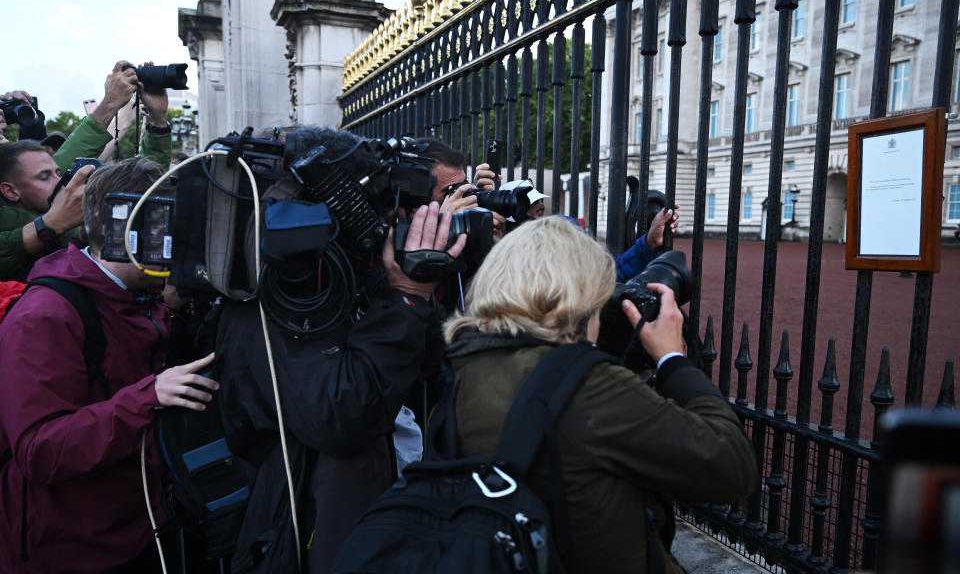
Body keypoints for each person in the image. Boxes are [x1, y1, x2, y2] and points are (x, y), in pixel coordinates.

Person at [440, 216, 758, 574]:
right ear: (579, 299)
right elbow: (732, 465)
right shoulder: (587, 387)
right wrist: (672, 359)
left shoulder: (462, 362)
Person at [215, 126, 466, 573]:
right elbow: (339, 415)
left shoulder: (356, 269)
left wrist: (415, 291)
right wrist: (406, 296)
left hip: (358, 519)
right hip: (300, 533)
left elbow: (423, 371)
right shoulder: (292, 285)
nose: (422, 214)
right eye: (415, 201)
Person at [0, 157, 219, 573]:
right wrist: (148, 397)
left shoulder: (141, 296)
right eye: (167, 226)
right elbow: (39, 452)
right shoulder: (45, 315)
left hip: (137, 527)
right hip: (68, 548)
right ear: (125, 227)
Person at [0, 61, 172, 281]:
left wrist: (158, 122)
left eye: (57, 172)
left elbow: (142, 191)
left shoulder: (68, 217)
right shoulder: (27, 224)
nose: (62, 180)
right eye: (44, 176)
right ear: (10, 191)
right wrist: (110, 103)